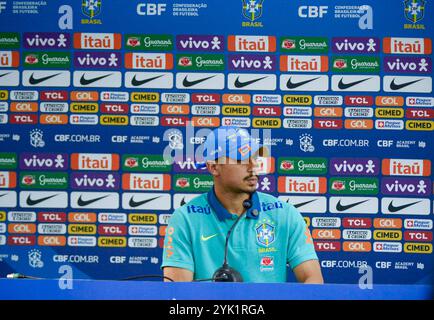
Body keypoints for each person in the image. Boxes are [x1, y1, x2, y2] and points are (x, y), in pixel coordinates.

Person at [161, 126, 323, 283]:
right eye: (242, 159)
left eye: (254, 158)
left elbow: (313, 278)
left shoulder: (285, 214)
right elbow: (177, 292)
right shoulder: (186, 219)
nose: (254, 167)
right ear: (214, 167)